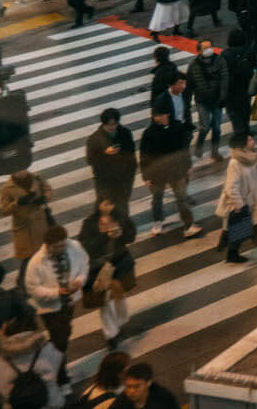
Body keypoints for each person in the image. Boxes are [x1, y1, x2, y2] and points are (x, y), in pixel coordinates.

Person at [22, 225, 88, 383]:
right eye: (56, 246)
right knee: (60, 341)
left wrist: (79, 281)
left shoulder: (74, 247)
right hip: (49, 308)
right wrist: (56, 292)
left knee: (63, 335)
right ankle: (61, 376)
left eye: (62, 244)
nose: (60, 248)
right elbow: (32, 288)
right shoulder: (36, 262)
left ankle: (49, 360)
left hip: (69, 302)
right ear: (48, 245)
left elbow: (84, 264)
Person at [77, 197, 137, 351]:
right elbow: (86, 247)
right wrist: (106, 236)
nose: (108, 206)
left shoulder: (121, 217)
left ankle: (119, 324)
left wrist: (121, 234)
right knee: (104, 301)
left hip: (119, 264)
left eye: (110, 202)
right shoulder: (90, 223)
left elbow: (131, 236)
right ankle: (111, 334)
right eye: (105, 203)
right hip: (98, 268)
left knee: (118, 295)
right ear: (98, 205)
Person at [217, 135, 257, 263]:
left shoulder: (249, 157)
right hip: (244, 202)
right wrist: (239, 204)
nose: (253, 141)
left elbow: (255, 179)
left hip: (255, 199)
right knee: (243, 230)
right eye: (250, 140)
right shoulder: (235, 163)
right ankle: (233, 253)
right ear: (243, 145)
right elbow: (231, 187)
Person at [139, 102, 200, 237]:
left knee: (182, 198)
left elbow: (184, 149)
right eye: (155, 115)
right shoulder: (149, 133)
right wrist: (145, 176)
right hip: (157, 173)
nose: (156, 118)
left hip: (176, 171)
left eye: (159, 115)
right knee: (157, 198)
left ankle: (189, 225)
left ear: (167, 114)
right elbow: (144, 156)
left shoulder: (178, 127)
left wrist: (187, 165)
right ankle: (158, 221)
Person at [84, 110, 138, 215]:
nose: (112, 127)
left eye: (114, 124)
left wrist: (130, 176)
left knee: (122, 206)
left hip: (123, 179)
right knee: (104, 208)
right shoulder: (94, 139)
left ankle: (123, 227)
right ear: (104, 124)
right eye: (109, 125)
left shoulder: (125, 133)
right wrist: (105, 154)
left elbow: (131, 154)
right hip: (105, 181)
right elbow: (91, 160)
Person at [0, 171, 55, 261]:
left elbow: (48, 190)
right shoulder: (6, 188)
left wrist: (45, 198)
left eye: (22, 168)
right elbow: (4, 211)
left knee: (48, 255)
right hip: (24, 229)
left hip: (41, 224)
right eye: (17, 170)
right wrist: (18, 203)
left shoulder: (37, 178)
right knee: (29, 260)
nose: (20, 172)